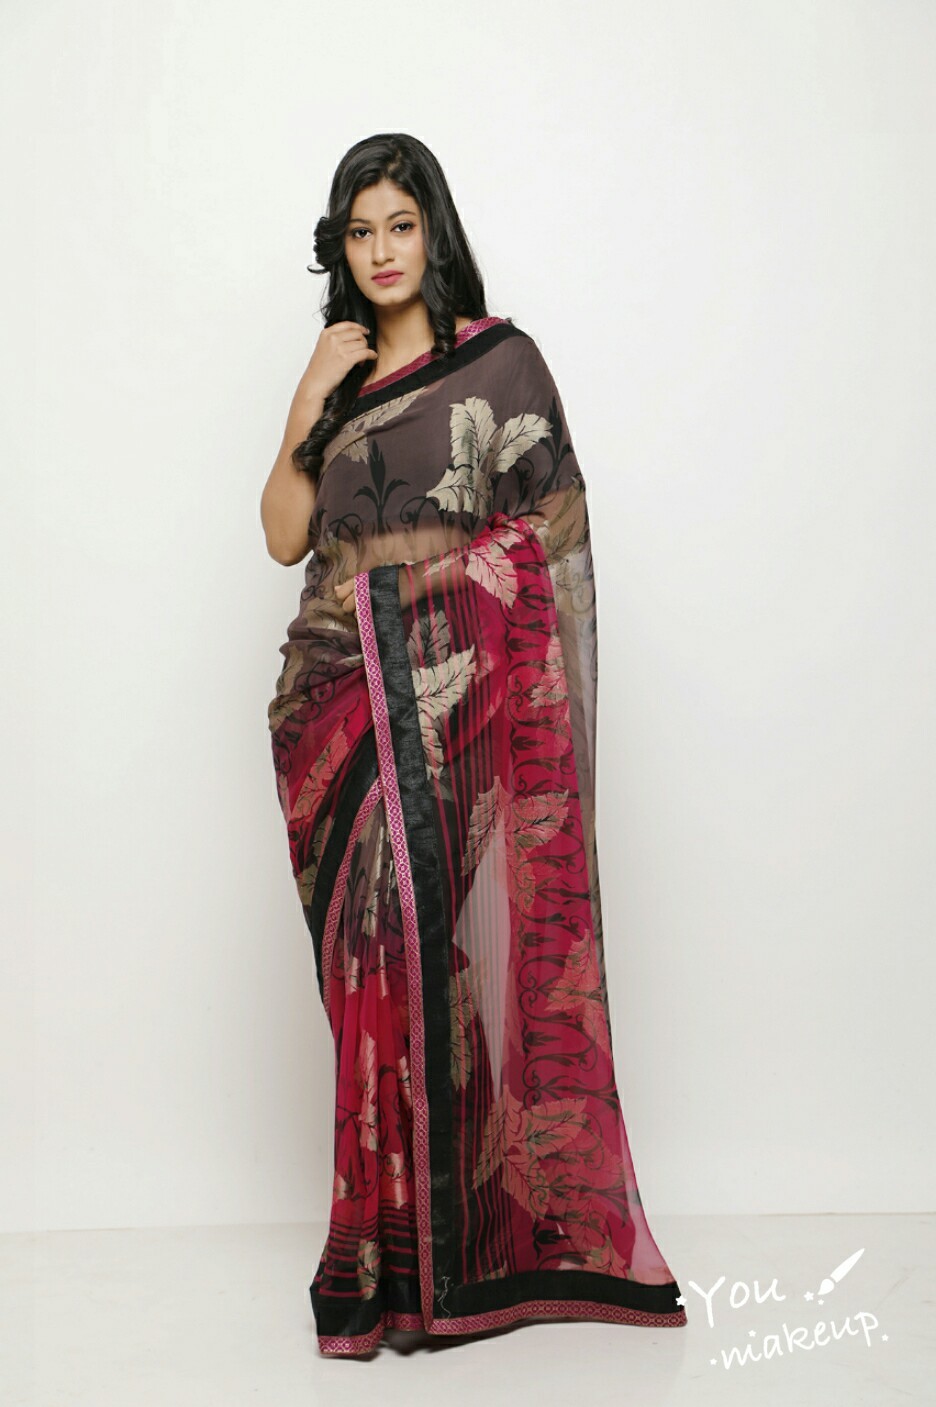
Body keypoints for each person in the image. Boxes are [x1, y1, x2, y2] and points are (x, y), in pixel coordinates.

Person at [261, 132, 687, 1359]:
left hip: (450, 702)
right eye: (360, 232)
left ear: (433, 231)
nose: (382, 251)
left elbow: (550, 535)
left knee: (417, 944)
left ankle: (463, 1245)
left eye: (401, 225)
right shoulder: (339, 379)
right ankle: (390, 1255)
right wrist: (306, 401)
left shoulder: (500, 364)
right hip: (332, 706)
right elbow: (284, 538)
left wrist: (424, 594)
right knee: (370, 969)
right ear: (341, 251)